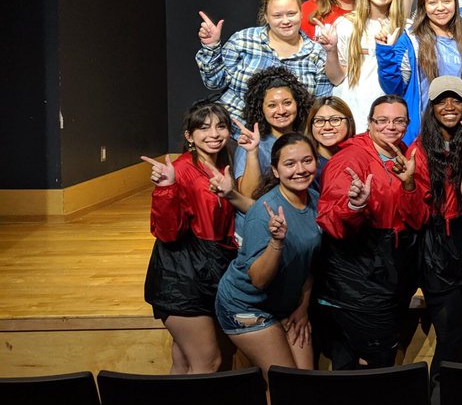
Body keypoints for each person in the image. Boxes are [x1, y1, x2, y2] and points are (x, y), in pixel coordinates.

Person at [142, 100, 250, 374]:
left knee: (184, 361)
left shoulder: (223, 164)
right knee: (208, 361)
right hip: (181, 274)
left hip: (208, 269)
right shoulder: (181, 170)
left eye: (220, 126)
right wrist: (166, 188)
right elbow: (166, 233)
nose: (214, 134)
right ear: (189, 136)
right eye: (203, 128)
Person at [316, 95, 423, 369]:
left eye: (398, 120)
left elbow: (417, 218)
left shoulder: (404, 154)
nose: (391, 126)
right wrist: (354, 205)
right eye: (383, 120)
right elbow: (329, 221)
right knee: (369, 363)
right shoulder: (351, 158)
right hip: (357, 280)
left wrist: (410, 184)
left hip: (388, 275)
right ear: (370, 122)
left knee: (368, 361)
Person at [215, 133, 323, 374]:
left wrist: (303, 308)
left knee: (305, 380)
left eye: (307, 161)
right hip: (245, 305)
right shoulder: (264, 213)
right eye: (289, 163)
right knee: (285, 382)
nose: (300, 169)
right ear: (275, 170)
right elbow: (259, 280)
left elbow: (308, 265)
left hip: (285, 305)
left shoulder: (315, 201)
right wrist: (277, 242)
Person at [407, 76, 462, 381]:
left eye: (456, 100)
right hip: (436, 242)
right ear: (431, 107)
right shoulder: (420, 149)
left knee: (460, 327)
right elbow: (418, 208)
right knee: (450, 332)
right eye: (441, 100)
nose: (449, 107)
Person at [196, 0, 331, 120]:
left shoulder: (316, 53)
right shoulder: (244, 39)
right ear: (266, 17)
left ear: (301, 13)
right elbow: (214, 82)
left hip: (284, 135)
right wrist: (211, 47)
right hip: (234, 128)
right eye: (277, 15)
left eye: (291, 14)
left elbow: (320, 105)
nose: (285, 21)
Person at [376, 0, 462, 145]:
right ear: (423, 6)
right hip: (425, 133)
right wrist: (385, 51)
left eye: (446, 1)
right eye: (432, 2)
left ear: (455, 3)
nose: (440, 8)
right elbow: (393, 88)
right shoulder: (411, 40)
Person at [320, 0, 404, 130]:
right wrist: (331, 51)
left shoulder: (405, 28)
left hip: (386, 120)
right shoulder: (345, 24)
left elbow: (402, 85)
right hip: (350, 116)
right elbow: (337, 78)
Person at [231, 66, 313, 204]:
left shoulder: (304, 140)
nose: (281, 111)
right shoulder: (252, 143)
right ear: (261, 109)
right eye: (272, 105)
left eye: (287, 103)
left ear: (298, 104)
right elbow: (248, 195)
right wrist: (252, 152)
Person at [305, 96, 355, 191]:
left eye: (335, 120)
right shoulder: (305, 165)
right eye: (319, 121)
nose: (327, 127)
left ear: (349, 122)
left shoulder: (359, 158)